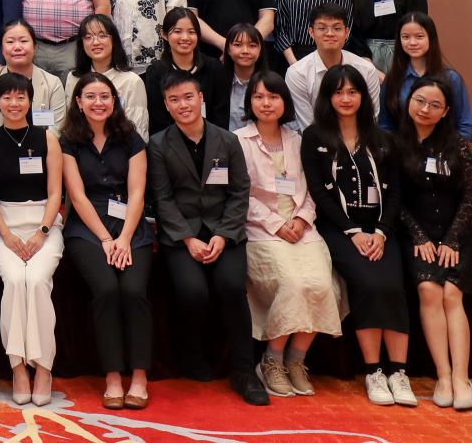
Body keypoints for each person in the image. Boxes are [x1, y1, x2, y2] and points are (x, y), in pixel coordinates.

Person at [148, 71, 266, 405]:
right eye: (174, 100)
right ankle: (192, 355)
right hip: (181, 235)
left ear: (201, 98)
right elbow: (162, 198)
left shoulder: (227, 140)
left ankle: (244, 371)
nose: (182, 105)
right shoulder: (158, 144)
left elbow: (240, 192)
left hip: (223, 232)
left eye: (188, 97)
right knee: (192, 291)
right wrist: (188, 239)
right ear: (166, 106)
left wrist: (225, 236)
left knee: (231, 286)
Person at [303, 64, 414, 406]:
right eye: (338, 92)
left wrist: (381, 233)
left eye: (353, 92)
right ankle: (374, 372)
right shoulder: (315, 136)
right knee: (368, 284)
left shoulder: (383, 139)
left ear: (365, 97)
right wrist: (353, 233)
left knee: (393, 286)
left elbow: (395, 193)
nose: (346, 98)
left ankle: (399, 372)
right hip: (340, 228)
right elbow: (319, 195)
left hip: (380, 229)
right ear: (327, 97)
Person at [235, 68, 338, 399]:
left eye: (273, 96)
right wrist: (276, 223)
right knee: (293, 283)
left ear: (285, 102)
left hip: (301, 227)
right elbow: (240, 194)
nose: (266, 103)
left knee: (322, 284)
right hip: (262, 231)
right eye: (259, 96)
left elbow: (313, 189)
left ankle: (296, 360)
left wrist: (302, 218)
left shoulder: (298, 139)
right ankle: (272, 361)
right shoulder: (238, 140)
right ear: (250, 101)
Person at [60, 71, 154, 410]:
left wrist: (125, 237)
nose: (98, 103)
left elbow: (137, 191)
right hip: (87, 228)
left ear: (115, 102)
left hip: (130, 225)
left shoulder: (131, 139)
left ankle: (140, 375)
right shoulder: (68, 141)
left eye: (105, 97)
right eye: (91, 97)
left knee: (132, 291)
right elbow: (77, 195)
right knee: (106, 289)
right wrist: (104, 237)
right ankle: (113, 376)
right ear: (78, 102)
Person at [394, 73, 472, 411]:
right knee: (429, 290)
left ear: (446, 111)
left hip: (454, 235)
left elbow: (470, 196)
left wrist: (450, 240)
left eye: (435, 105)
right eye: (420, 101)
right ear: (409, 102)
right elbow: (395, 200)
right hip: (416, 234)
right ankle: (443, 376)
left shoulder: (457, 145)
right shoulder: (395, 145)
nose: (425, 109)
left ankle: (462, 378)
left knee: (450, 293)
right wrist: (418, 236)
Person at [0, 71, 65, 406]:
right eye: (7, 98)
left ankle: (43, 366)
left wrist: (43, 231)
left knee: (38, 280)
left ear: (30, 101)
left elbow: (57, 191)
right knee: (16, 280)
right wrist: (5, 234)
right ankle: (18, 366)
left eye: (20, 97)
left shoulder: (48, 138)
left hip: (44, 225)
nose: (14, 104)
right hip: (5, 226)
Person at [379, 13, 472, 140]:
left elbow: (465, 128)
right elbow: (385, 126)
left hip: (442, 152)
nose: (412, 42)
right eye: (405, 37)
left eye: (419, 36)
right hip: (402, 152)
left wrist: (443, 150)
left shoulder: (451, 78)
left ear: (431, 38)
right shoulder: (393, 78)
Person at [287, 2, 383, 128]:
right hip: (316, 142)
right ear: (311, 32)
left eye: (337, 28)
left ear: (347, 32)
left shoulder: (366, 69)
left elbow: (371, 117)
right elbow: (307, 124)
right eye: (322, 28)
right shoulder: (297, 73)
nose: (330, 34)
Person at [141, 7, 228, 138]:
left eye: (192, 32)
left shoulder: (214, 68)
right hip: (170, 146)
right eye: (177, 31)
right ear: (164, 34)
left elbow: (220, 116)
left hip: (211, 142)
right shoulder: (156, 72)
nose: (185, 37)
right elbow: (157, 121)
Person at [0, 19, 68, 133]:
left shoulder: (52, 83)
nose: (17, 47)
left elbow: (57, 131)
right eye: (10, 42)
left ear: (35, 47)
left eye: (24, 41)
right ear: (2, 49)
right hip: (0, 148)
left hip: (44, 149)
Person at [70, 14, 149, 137]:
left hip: (123, 149)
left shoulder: (132, 81)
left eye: (102, 36)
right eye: (88, 37)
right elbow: (71, 122)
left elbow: (139, 130)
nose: (95, 42)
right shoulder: (74, 78)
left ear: (114, 40)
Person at [219, 24, 267, 131]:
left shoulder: (270, 84)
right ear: (228, 50)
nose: (245, 51)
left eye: (252, 45)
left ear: (260, 51)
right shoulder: (217, 82)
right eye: (238, 45)